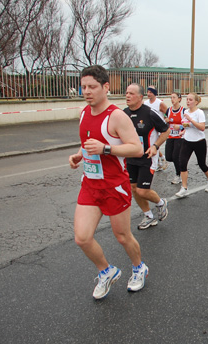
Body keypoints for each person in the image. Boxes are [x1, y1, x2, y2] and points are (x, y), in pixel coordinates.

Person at [68, 65, 147, 299]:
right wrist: (79, 155)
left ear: (105, 87)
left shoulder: (116, 116)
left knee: (122, 236)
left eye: (92, 87)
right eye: (83, 87)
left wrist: (106, 149)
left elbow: (137, 148)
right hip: (90, 185)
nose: (87, 91)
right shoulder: (84, 113)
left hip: (115, 186)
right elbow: (87, 142)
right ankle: (106, 271)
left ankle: (138, 268)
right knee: (82, 238)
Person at [123, 83, 171, 230]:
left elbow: (166, 130)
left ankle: (161, 203)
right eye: (126, 93)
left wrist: (155, 146)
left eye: (131, 93)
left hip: (147, 158)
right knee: (133, 188)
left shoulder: (150, 113)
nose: (127, 96)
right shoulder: (123, 114)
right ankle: (148, 216)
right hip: (130, 157)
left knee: (142, 190)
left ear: (140, 97)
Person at [175, 93, 208, 197]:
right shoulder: (185, 111)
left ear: (196, 102)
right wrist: (182, 130)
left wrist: (190, 119)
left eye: (190, 99)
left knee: (202, 164)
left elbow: (202, 127)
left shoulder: (199, 113)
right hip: (187, 141)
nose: (188, 101)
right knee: (182, 163)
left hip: (199, 141)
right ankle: (184, 188)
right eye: (187, 99)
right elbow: (186, 126)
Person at [144, 86, 168, 172]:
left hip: (159, 128)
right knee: (151, 146)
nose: (148, 94)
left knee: (155, 145)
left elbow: (168, 113)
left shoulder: (159, 103)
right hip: (149, 129)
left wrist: (166, 119)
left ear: (154, 93)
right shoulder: (145, 103)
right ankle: (161, 159)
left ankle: (157, 163)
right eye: (148, 92)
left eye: (150, 92)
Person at [165, 92, 185, 184]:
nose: (172, 99)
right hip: (170, 136)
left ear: (179, 99)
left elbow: (187, 125)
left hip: (179, 137)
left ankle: (179, 175)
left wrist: (180, 127)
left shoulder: (183, 111)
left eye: (174, 97)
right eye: (171, 97)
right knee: (169, 157)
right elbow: (164, 121)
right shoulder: (168, 110)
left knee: (175, 156)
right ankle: (180, 163)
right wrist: (166, 121)